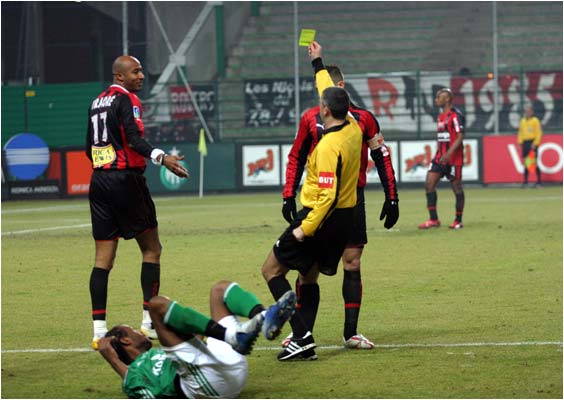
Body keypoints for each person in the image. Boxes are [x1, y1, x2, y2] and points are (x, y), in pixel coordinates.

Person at [281, 64, 398, 350]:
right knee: (307, 268)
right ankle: (301, 333)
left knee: (352, 261)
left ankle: (351, 334)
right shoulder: (311, 118)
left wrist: (391, 196)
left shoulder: (364, 120)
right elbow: (296, 155)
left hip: (351, 201)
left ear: (340, 89)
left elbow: (381, 155)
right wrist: (288, 195)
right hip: (319, 202)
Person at [261, 41, 364, 361]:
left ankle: (301, 334)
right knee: (308, 276)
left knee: (271, 270)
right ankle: (302, 338)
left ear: (324, 110)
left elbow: (327, 195)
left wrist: (305, 228)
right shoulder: (355, 128)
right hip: (345, 219)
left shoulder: (328, 147)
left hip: (319, 217)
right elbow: (329, 91)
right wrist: (318, 63)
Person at [86, 55, 189, 350]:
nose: (141, 76)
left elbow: (88, 147)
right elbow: (133, 139)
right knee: (152, 249)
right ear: (120, 77)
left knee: (103, 259)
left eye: (141, 70)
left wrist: (105, 170)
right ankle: (148, 322)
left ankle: (98, 332)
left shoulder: (96, 103)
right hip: (126, 181)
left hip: (99, 182)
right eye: (136, 71)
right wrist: (162, 157)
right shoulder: (127, 99)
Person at [97, 281, 296, 398]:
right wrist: (111, 358)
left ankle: (263, 316)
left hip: (226, 363)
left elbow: (196, 335)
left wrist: (177, 321)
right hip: (208, 385)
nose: (139, 331)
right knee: (155, 305)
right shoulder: (134, 376)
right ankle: (235, 337)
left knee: (219, 290)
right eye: (132, 331)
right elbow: (133, 383)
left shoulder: (160, 351)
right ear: (125, 341)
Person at [418, 88, 465, 230]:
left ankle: (458, 220)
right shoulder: (440, 116)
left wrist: (449, 153)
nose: (436, 99)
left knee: (456, 187)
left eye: (439, 97)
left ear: (447, 99)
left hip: (453, 158)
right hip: (439, 158)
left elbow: (460, 136)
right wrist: (442, 154)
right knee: (429, 184)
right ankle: (433, 219)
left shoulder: (455, 116)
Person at [517, 104, 543, 187]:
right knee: (526, 163)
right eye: (525, 111)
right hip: (525, 143)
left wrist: (535, 143)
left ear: (532, 112)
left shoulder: (535, 121)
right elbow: (520, 132)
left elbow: (538, 133)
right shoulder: (523, 121)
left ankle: (539, 182)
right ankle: (525, 182)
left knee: (533, 163)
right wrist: (520, 142)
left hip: (532, 142)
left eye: (528, 111)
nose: (527, 113)